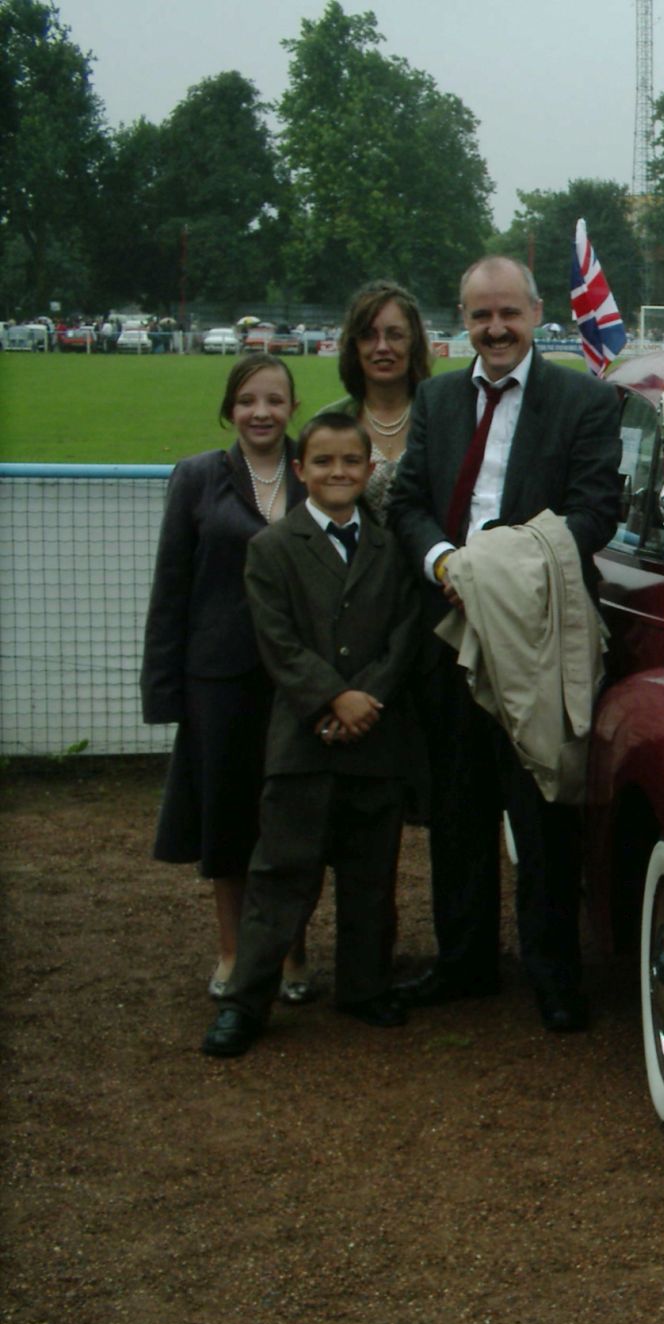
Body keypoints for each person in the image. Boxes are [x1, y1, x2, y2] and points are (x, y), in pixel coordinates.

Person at [385, 255, 621, 1032]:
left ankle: (553, 972)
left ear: (535, 312)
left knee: (542, 807)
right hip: (451, 624)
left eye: (508, 314)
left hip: (539, 631)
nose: (494, 329)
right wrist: (444, 563)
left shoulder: (584, 401)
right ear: (463, 317)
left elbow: (595, 513)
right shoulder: (437, 398)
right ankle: (464, 964)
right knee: (457, 808)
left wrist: (499, 568)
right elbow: (410, 500)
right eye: (480, 315)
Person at [201, 413, 422, 1057]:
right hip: (303, 740)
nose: (338, 473)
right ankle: (246, 1001)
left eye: (351, 462)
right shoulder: (272, 547)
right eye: (323, 463)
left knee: (370, 878)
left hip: (375, 741)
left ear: (369, 469)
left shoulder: (390, 546)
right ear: (300, 471)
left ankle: (364, 986)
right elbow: (277, 641)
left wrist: (368, 698)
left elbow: (406, 634)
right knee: (279, 876)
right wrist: (332, 697)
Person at [142, 354, 317, 1002]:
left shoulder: (316, 468)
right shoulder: (197, 478)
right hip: (218, 677)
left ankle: (293, 953)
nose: (262, 412)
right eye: (248, 401)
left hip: (300, 677)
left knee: (293, 821)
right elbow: (172, 587)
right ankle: (232, 951)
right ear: (230, 409)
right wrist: (164, 688)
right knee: (227, 820)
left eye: (274, 400)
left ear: (293, 407)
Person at [320, 280, 433, 522]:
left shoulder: (441, 417)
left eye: (395, 335)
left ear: (413, 342)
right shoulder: (330, 422)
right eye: (368, 336)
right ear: (354, 345)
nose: (382, 347)